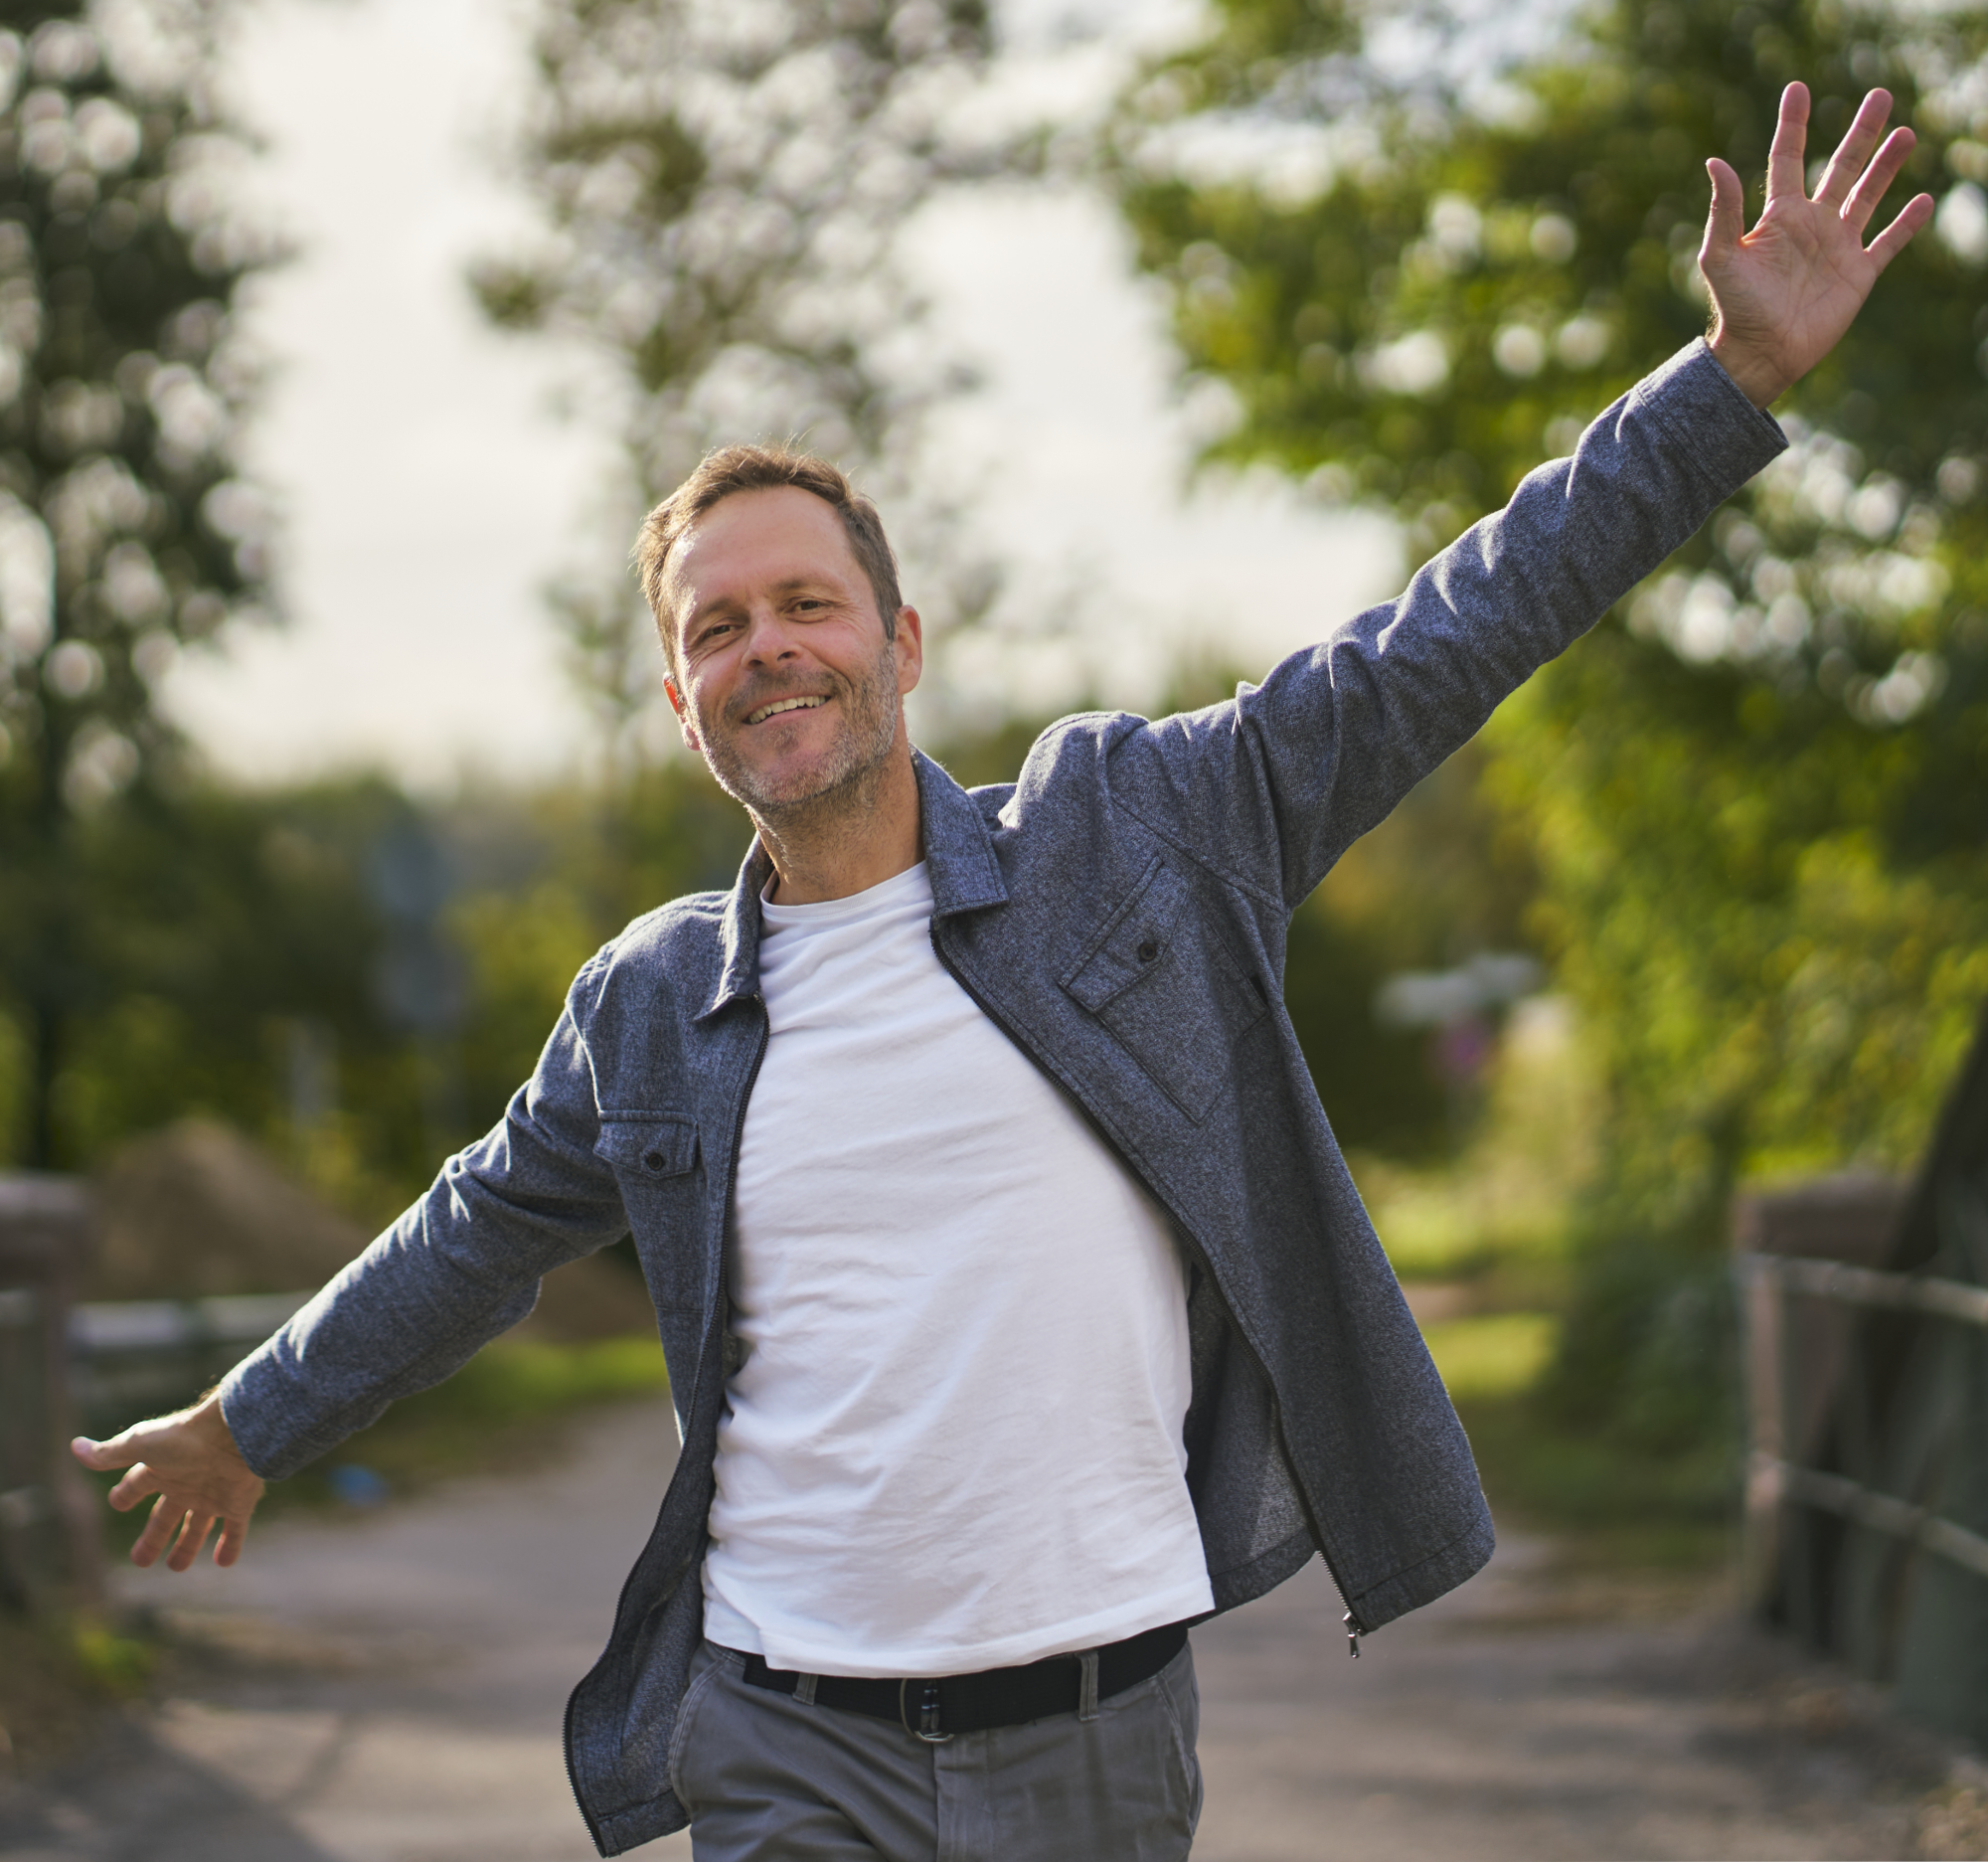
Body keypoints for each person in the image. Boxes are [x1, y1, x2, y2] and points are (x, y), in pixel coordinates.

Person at [74, 83, 1930, 1861]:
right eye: (717, 628)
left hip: (1093, 1736)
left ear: (899, 640)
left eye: (807, 604)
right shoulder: (652, 1006)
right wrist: (246, 1421)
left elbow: (1444, 635)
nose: (766, 648)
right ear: (680, 702)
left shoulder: (1136, 835)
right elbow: (470, 1234)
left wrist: (1728, 382)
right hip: (784, 1733)